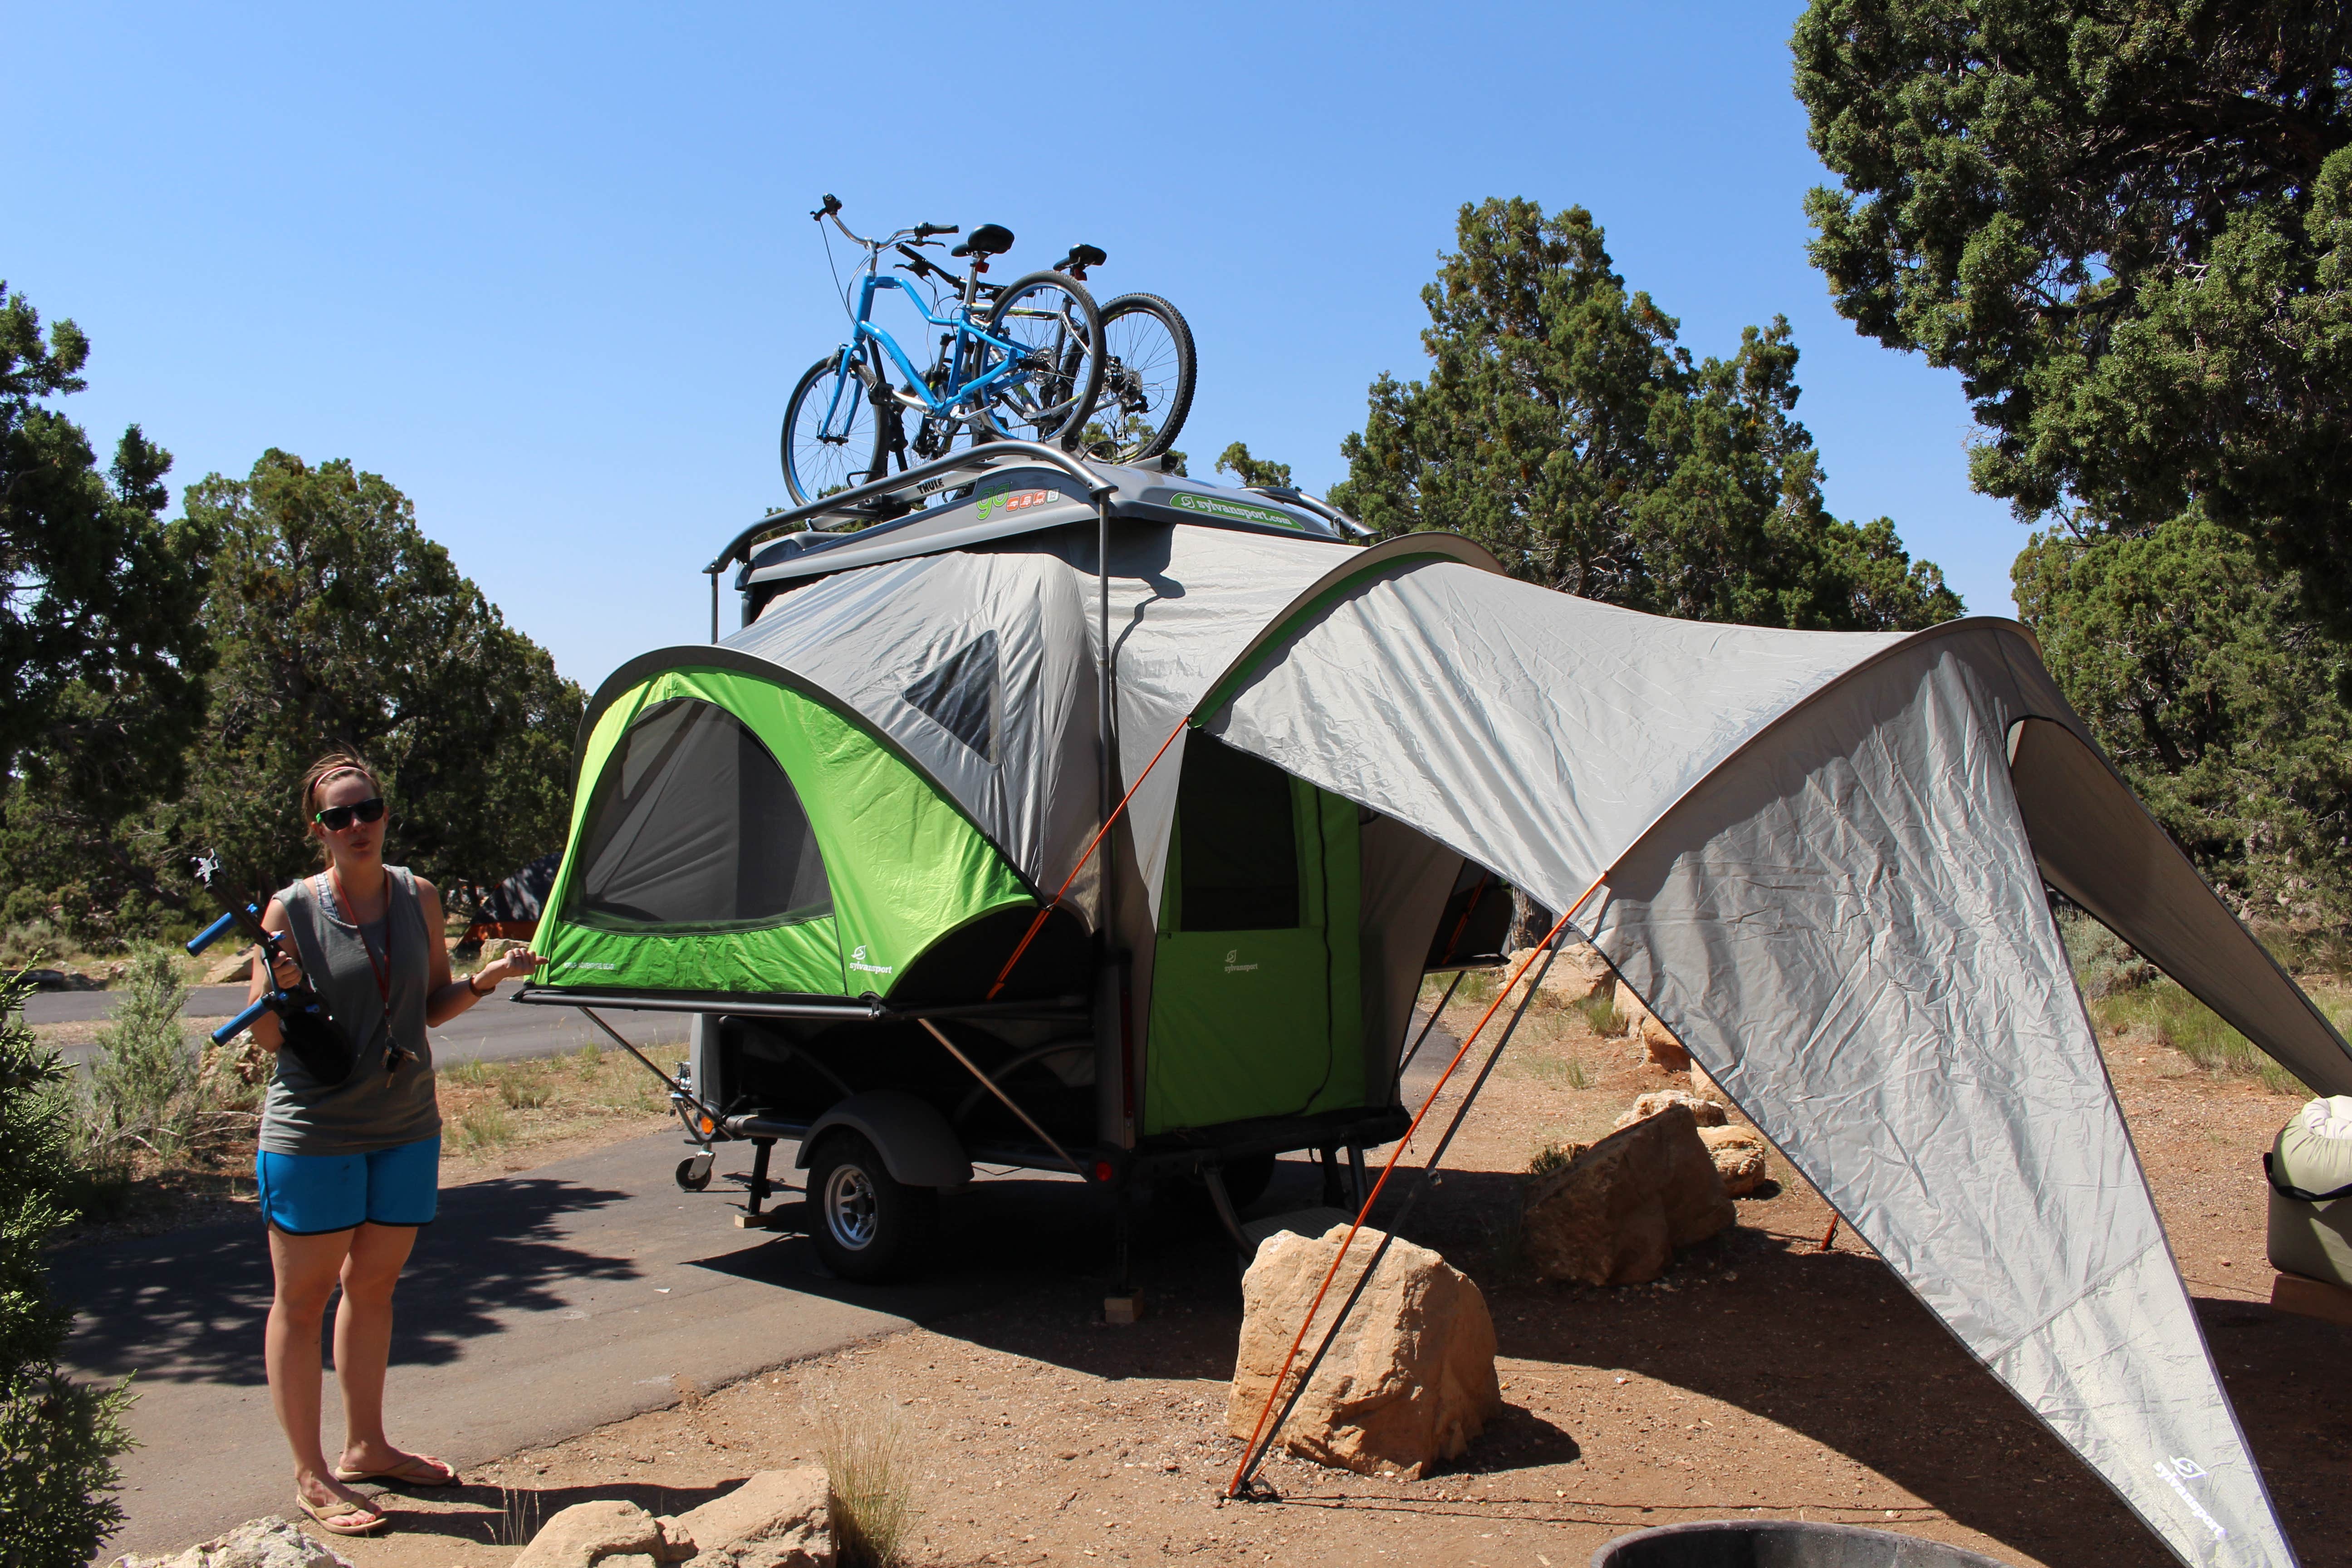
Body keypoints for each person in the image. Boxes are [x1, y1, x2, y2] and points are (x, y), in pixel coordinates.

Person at [246, 751, 541, 1535]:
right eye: (338, 816)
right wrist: (276, 983)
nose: (356, 826)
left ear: (384, 811)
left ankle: (367, 1447)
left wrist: (486, 979)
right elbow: (269, 1038)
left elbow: (429, 1005)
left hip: (406, 1123)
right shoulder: (291, 912)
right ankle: (312, 1473)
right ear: (319, 830)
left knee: (373, 1288)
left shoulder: (419, 896)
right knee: (302, 1301)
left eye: (366, 809)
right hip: (315, 1131)